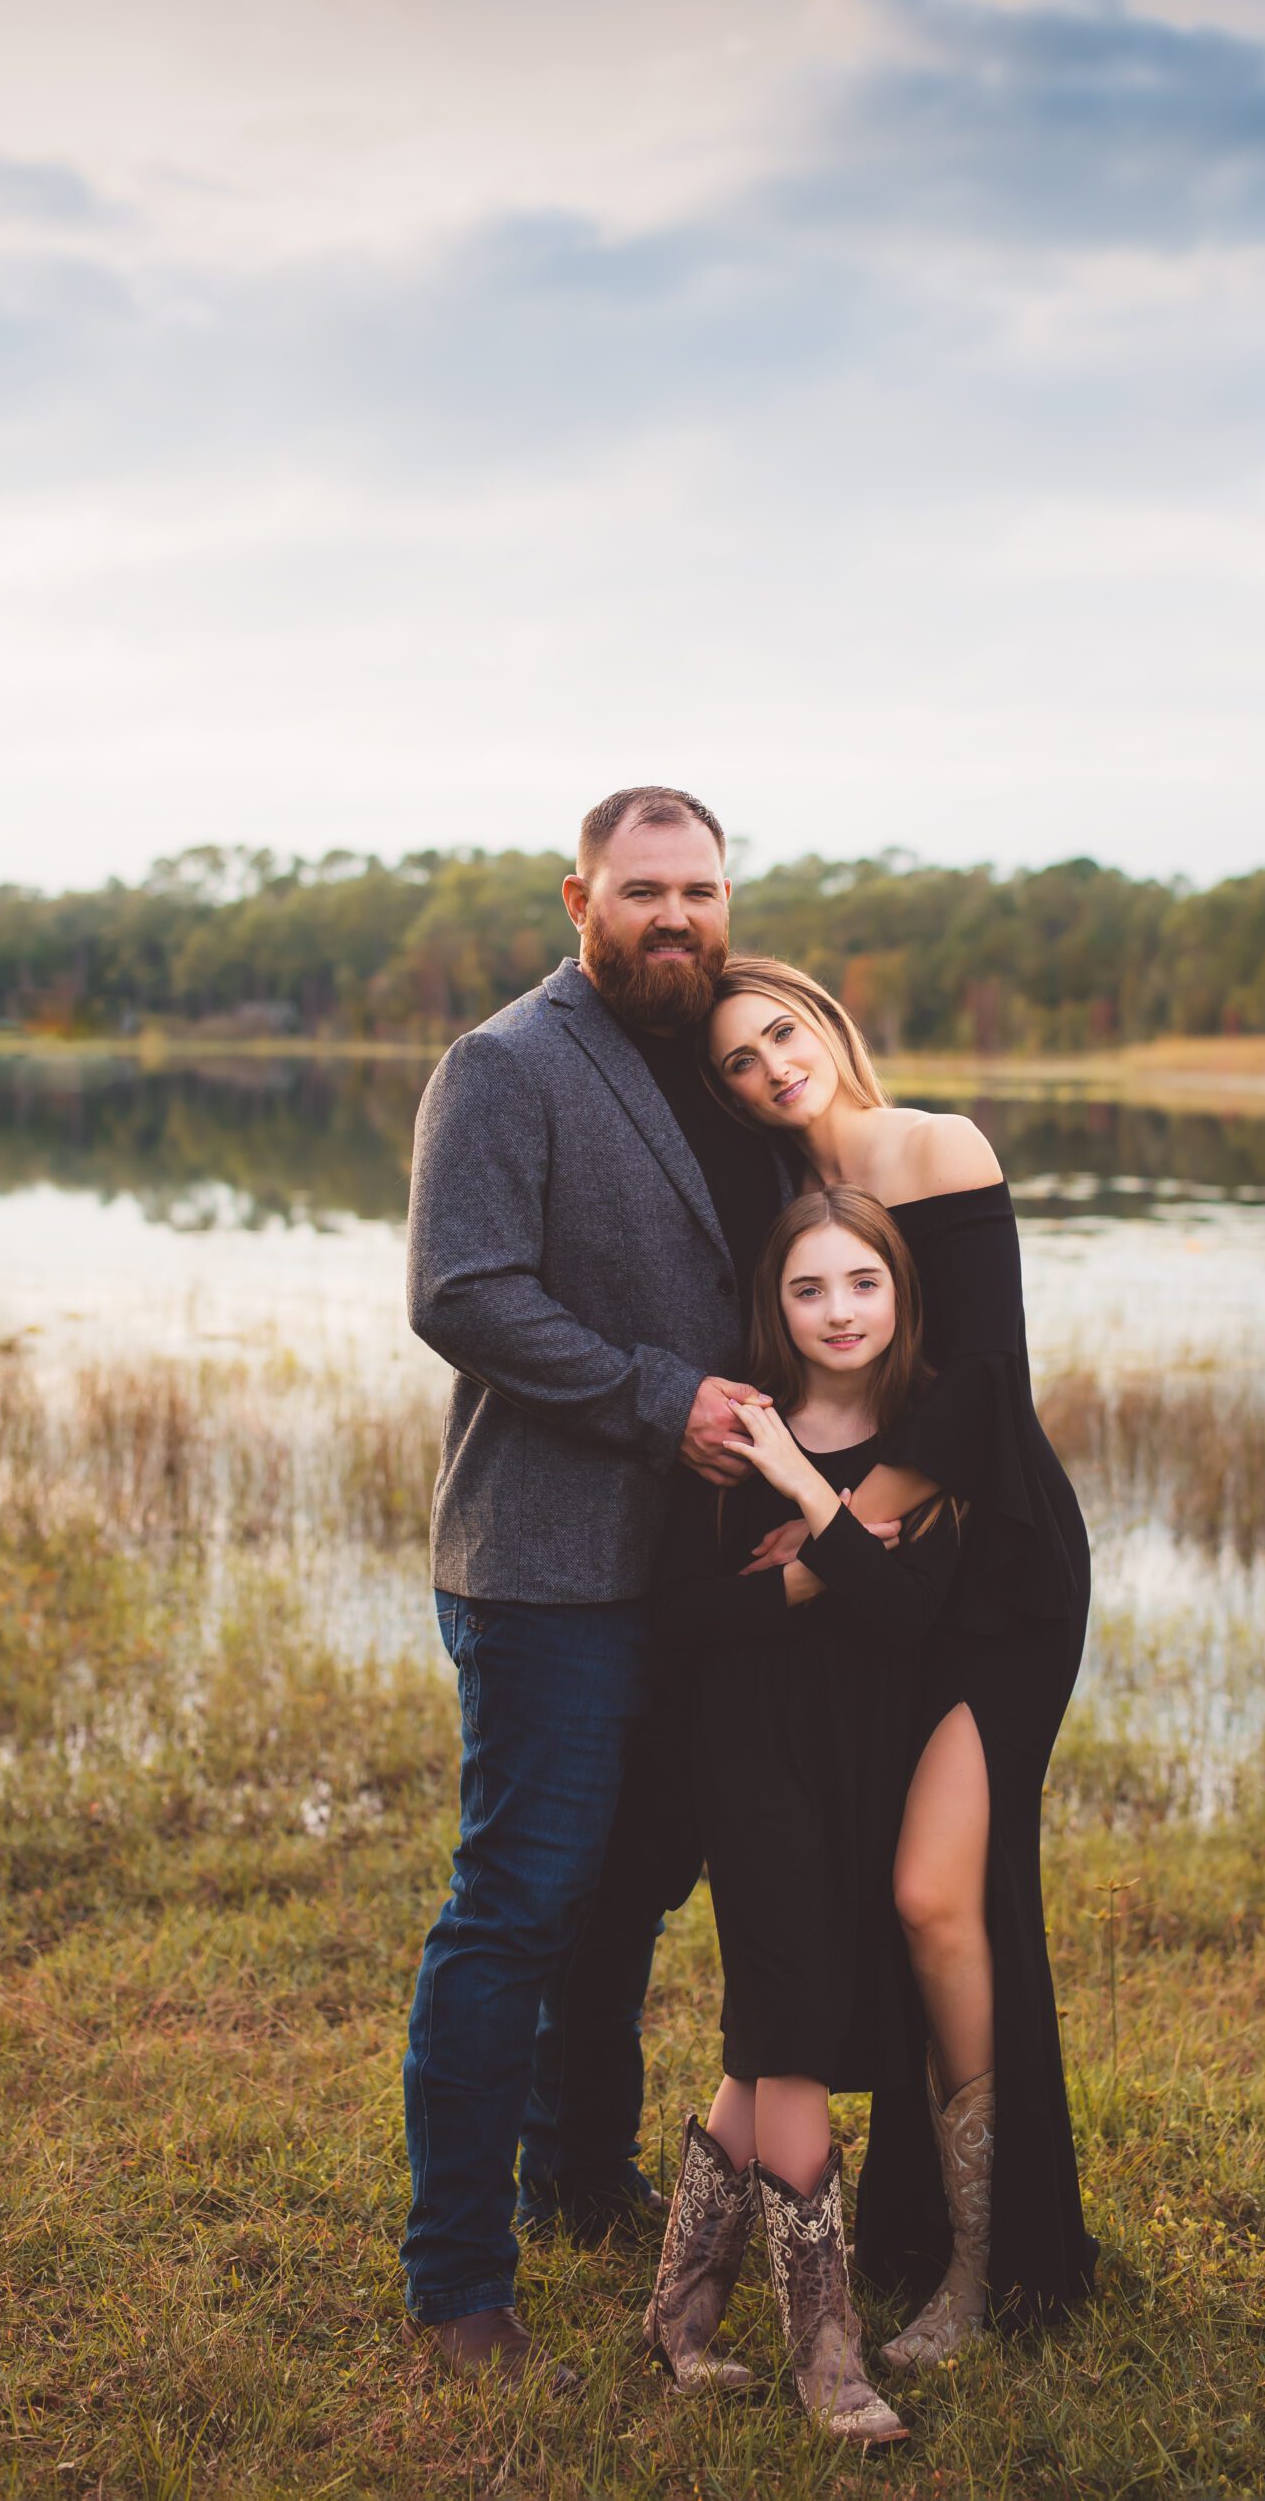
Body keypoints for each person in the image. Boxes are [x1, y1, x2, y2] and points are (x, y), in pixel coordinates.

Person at [398, 788, 795, 2383]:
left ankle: (577, 2176)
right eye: (643, 891)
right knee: (516, 1909)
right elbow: (460, 1290)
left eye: (698, 889)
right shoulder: (504, 1066)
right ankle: (456, 2287)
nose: (676, 918)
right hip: (548, 1567)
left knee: (627, 1898)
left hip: (697, 1573)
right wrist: (661, 1401)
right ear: (579, 899)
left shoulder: (728, 1062)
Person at [701, 956, 1098, 2359]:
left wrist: (829, 1536)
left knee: (939, 1898)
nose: (767, 1069)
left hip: (991, 1579)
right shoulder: (773, 1199)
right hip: (886, 1599)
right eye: (736, 1062)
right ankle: (922, 2234)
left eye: (778, 1034)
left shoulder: (934, 1146)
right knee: (906, 1895)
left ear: (822, 1017)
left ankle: (983, 2271)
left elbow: (982, 1380)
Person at [642, 1188, 962, 2445]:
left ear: (899, 1291)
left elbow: (908, 1617)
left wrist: (818, 1518)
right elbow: (678, 1618)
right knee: (797, 2040)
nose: (839, 1311)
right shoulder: (736, 1436)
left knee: (771, 2032)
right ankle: (826, 2354)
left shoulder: (931, 1440)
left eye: (862, 1283)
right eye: (809, 1288)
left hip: (868, 1761)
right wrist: (807, 1560)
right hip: (752, 1758)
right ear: (773, 1303)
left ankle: (680, 2311)